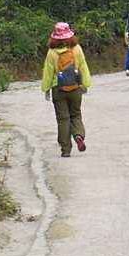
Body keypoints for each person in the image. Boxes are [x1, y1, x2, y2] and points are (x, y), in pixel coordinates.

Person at [41, 22, 92, 157]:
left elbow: (48, 72)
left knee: (63, 119)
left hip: (58, 89)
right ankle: (78, 135)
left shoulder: (52, 53)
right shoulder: (77, 49)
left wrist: (46, 88)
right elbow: (83, 67)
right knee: (76, 114)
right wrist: (85, 84)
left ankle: (65, 150)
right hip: (75, 87)